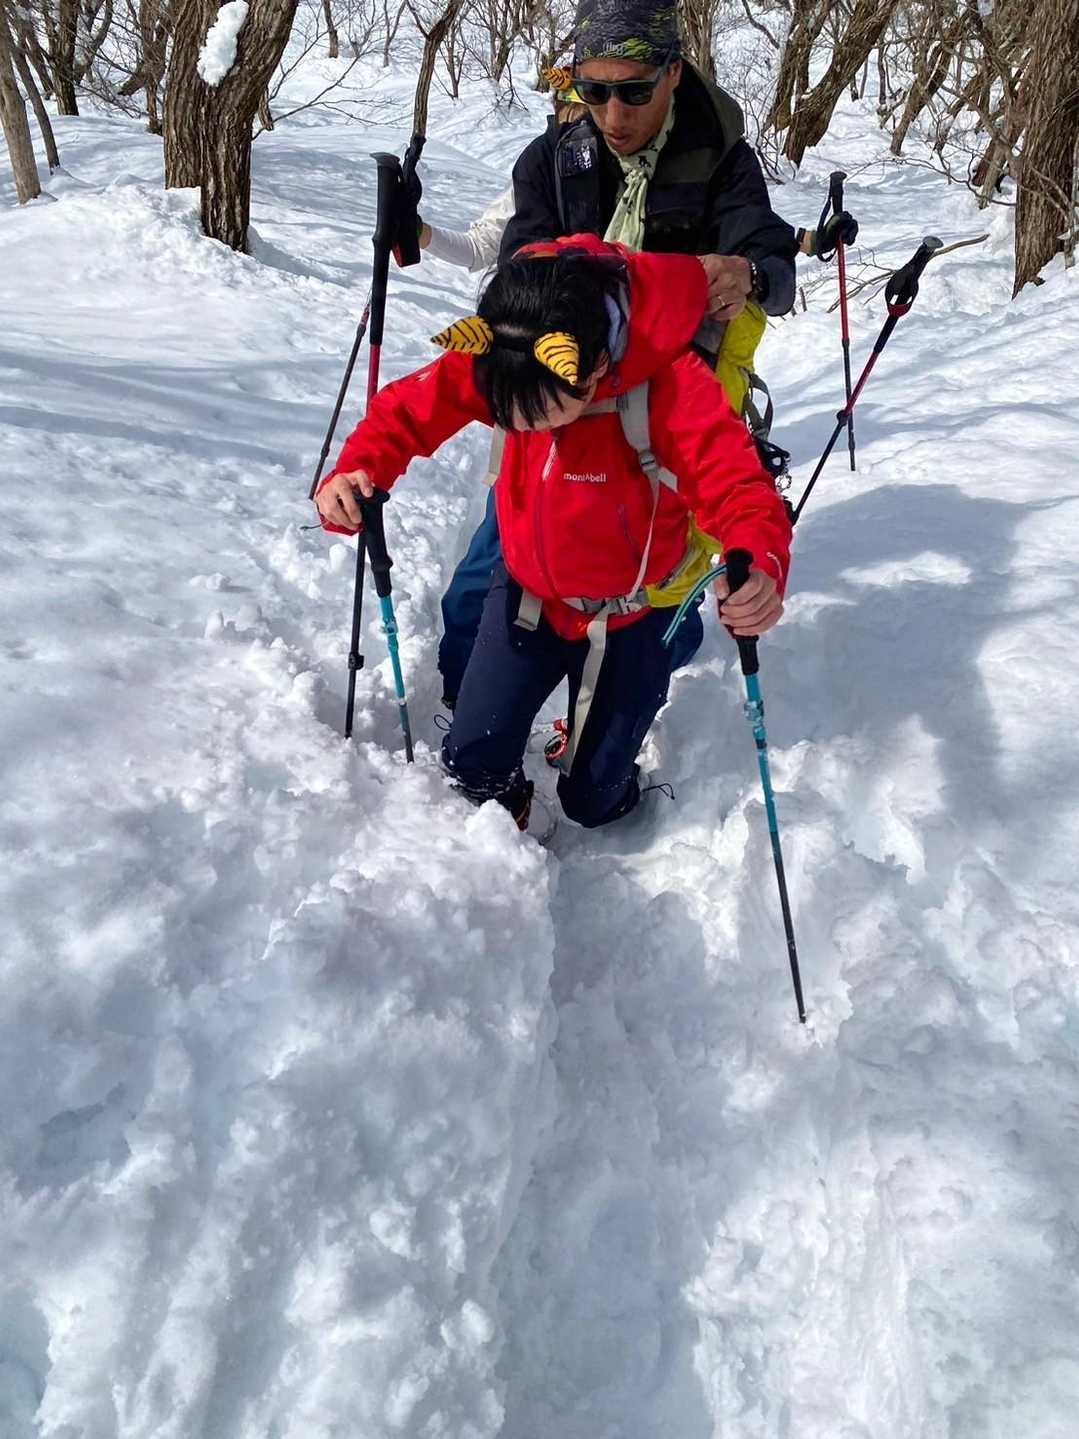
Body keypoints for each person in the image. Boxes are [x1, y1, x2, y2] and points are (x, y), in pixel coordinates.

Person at [315, 236, 791, 832]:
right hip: (527, 600)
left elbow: (738, 488)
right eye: (505, 415)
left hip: (633, 616)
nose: (523, 429)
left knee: (592, 802)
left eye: (538, 416)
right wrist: (356, 472)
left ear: (594, 370)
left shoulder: (670, 384)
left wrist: (760, 563)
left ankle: (608, 766)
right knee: (473, 768)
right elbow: (405, 412)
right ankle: (514, 817)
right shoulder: (506, 346)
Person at [435, 0, 800, 711]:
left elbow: (773, 261)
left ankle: (619, 704)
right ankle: (463, 705)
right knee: (492, 566)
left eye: (633, 91)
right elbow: (516, 262)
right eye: (592, 90)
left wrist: (749, 274)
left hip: (664, 412)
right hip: (556, 395)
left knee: (656, 584)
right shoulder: (551, 158)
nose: (612, 113)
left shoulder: (721, 158)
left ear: (673, 72)